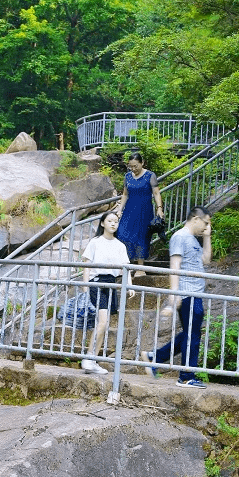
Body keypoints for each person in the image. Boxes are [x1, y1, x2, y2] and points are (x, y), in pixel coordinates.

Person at [141, 206, 211, 387]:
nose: (206, 226)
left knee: (190, 334)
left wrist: (207, 237)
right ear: (195, 219)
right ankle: (186, 377)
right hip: (187, 293)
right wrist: (175, 295)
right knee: (193, 336)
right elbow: (175, 267)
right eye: (205, 223)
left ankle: (154, 357)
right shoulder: (179, 237)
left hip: (195, 293)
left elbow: (206, 260)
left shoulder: (193, 239)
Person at [78, 211, 133, 374]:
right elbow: (87, 264)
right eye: (110, 221)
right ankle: (89, 358)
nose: (113, 224)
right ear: (102, 223)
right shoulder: (96, 242)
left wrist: (129, 285)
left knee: (105, 323)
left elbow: (126, 268)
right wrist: (85, 284)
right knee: (103, 322)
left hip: (111, 284)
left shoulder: (120, 245)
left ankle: (92, 360)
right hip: (97, 283)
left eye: (116, 221)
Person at [115, 151, 164, 269]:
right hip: (129, 210)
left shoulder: (150, 175)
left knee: (141, 237)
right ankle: (127, 265)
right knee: (122, 234)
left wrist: (159, 208)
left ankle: (140, 268)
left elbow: (156, 193)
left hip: (144, 211)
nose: (133, 169)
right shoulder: (127, 176)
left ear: (142, 163)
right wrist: (120, 209)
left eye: (135, 166)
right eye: (130, 166)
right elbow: (125, 194)